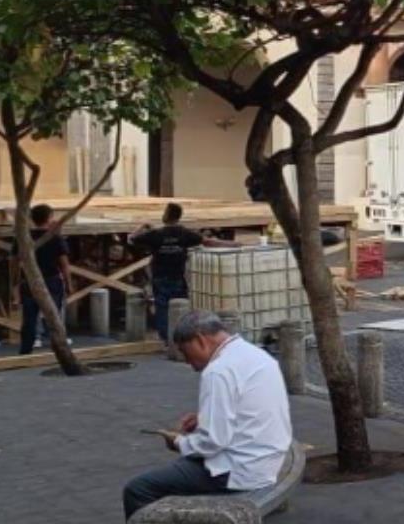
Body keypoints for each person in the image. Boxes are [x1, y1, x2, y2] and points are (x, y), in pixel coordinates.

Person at [123, 310, 292, 520]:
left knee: (138, 489)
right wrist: (205, 417)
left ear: (200, 340)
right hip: (269, 458)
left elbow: (213, 442)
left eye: (186, 353)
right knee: (177, 471)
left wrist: (179, 443)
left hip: (241, 471)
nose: (189, 363)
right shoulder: (255, 354)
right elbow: (245, 409)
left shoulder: (218, 371)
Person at [129, 204, 228, 344]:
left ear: (167, 215)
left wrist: (143, 226)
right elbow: (208, 242)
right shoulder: (184, 233)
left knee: (162, 308)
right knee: (181, 307)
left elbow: (131, 239)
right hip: (178, 276)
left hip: (160, 277)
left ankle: (166, 339)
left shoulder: (156, 234)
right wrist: (233, 244)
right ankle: (180, 338)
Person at [14, 204, 73, 355]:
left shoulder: (23, 237)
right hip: (51, 280)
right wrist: (69, 284)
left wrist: (16, 286)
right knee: (53, 316)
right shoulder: (55, 238)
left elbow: (15, 263)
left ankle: (26, 350)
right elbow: (64, 265)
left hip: (29, 280)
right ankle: (59, 348)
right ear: (49, 218)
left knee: (29, 318)